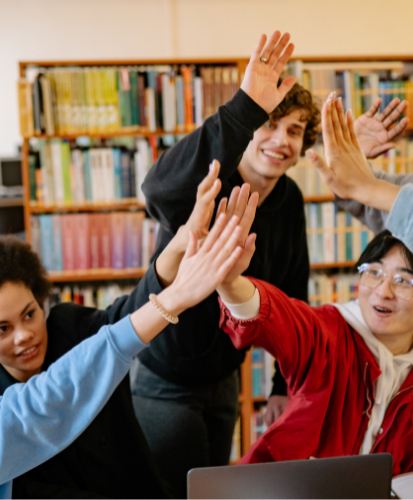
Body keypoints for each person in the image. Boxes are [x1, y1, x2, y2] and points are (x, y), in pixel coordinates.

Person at [132, 30, 409, 494]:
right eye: (269, 125)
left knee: (207, 485)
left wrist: (281, 385)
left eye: (295, 130)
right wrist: (244, 108)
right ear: (249, 128)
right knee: (170, 489)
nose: (281, 140)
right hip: (166, 374)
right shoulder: (209, 176)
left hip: (223, 376)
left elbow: (291, 292)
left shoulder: (290, 199)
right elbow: (156, 193)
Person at [0, 173, 255, 499]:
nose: (24, 335)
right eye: (1, 329)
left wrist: (180, 245)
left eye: (30, 314)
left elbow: (131, 315)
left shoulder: (69, 326)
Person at [215, 92, 413, 475]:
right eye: (372, 272)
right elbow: (277, 313)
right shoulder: (332, 334)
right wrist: (229, 281)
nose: (383, 291)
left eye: (403, 280)